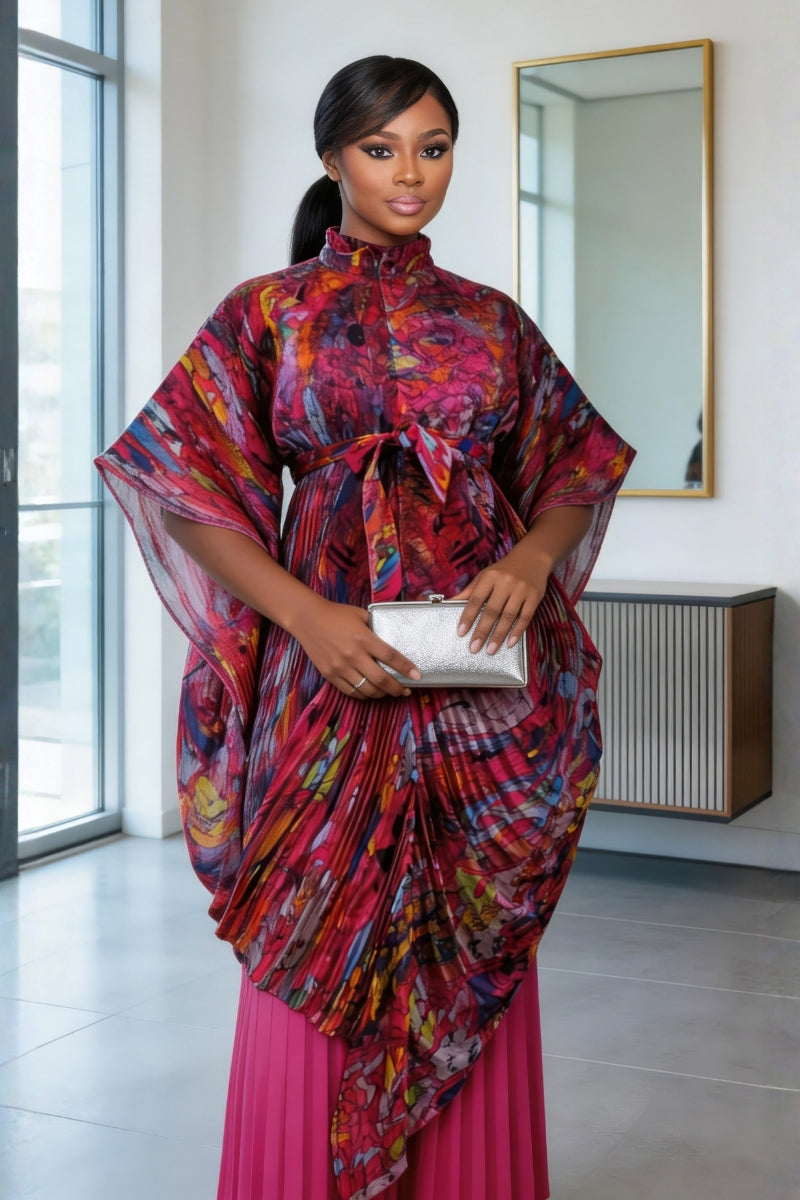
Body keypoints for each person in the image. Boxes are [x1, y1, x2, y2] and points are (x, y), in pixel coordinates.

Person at [96, 55, 634, 1200]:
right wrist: (306, 619)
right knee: (313, 916)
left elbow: (576, 465)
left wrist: (533, 565)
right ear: (333, 156)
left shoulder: (490, 321)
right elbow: (182, 485)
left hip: (479, 696)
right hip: (327, 673)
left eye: (432, 147)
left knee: (466, 933)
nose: (410, 173)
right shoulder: (266, 314)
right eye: (382, 148)